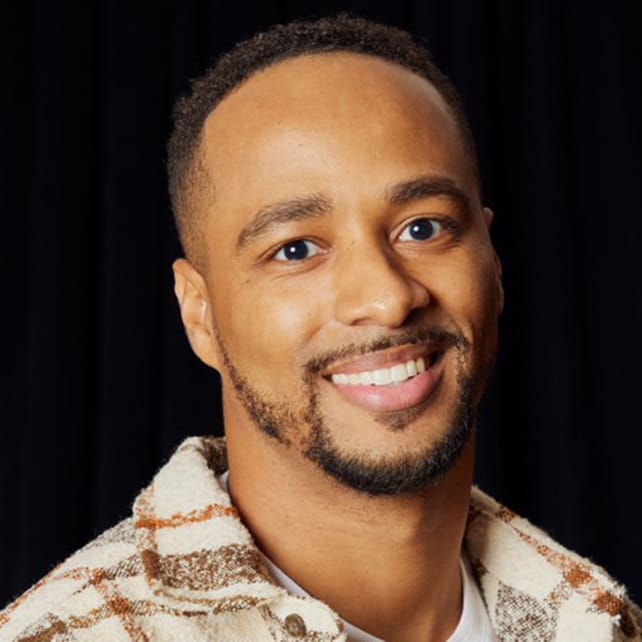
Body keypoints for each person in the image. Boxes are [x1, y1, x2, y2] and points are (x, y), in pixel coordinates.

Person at [1, 14, 640, 642]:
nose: (387, 298)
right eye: (296, 249)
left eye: (422, 228)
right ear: (200, 314)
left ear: (493, 264)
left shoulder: (598, 622)